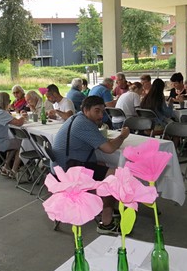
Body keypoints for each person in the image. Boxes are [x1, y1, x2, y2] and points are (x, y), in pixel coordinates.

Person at [52, 96, 130, 235]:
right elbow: (109, 149)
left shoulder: (77, 118)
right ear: (86, 110)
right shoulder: (84, 124)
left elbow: (100, 142)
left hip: (62, 166)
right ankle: (106, 223)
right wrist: (123, 136)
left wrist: (109, 141)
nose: (101, 115)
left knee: (102, 163)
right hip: (69, 171)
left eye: (102, 111)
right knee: (114, 176)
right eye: (97, 111)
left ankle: (104, 206)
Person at [0, 92, 25, 177]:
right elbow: (18, 123)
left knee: (13, 141)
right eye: (8, 100)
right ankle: (14, 170)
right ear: (4, 101)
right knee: (22, 143)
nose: (9, 102)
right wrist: (23, 116)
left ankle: (6, 166)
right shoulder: (1, 113)